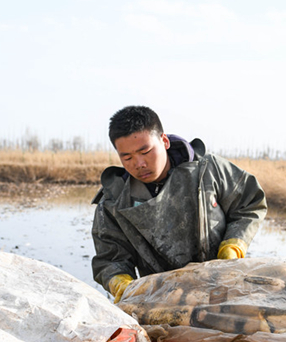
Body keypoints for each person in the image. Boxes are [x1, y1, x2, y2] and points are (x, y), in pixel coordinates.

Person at [92, 105, 267, 301]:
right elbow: (110, 259)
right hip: (160, 299)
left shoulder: (207, 170)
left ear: (164, 141)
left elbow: (249, 202)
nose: (139, 163)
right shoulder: (113, 202)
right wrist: (123, 285)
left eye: (146, 151)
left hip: (224, 287)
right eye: (127, 157)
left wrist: (234, 245)